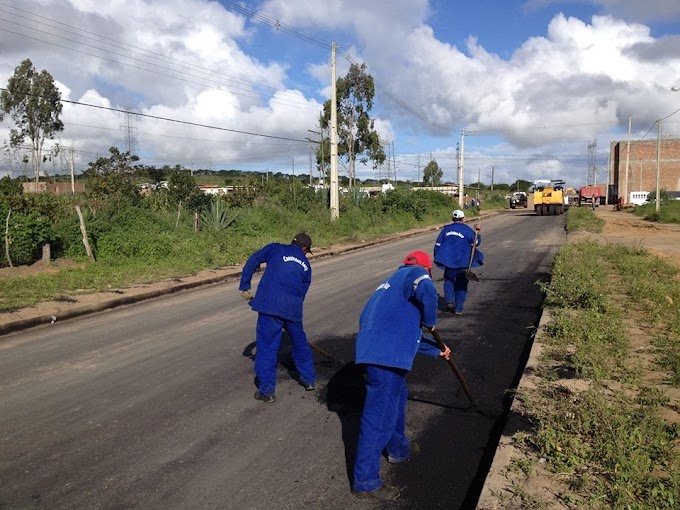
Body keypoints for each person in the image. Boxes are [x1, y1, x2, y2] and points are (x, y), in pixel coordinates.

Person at [352, 250, 451, 501]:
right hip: (384, 359)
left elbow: (403, 331)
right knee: (378, 417)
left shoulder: (388, 288)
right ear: (427, 269)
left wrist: (437, 350)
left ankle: (398, 448)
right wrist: (431, 320)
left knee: (397, 397)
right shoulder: (416, 274)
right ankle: (365, 482)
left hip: (374, 354)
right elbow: (427, 290)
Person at [239, 233, 316, 403]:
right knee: (300, 344)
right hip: (292, 310)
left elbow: (253, 260)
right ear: (305, 249)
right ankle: (309, 380)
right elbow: (302, 292)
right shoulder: (306, 266)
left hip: (270, 307)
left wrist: (245, 285)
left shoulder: (275, 249)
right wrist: (290, 315)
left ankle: (267, 391)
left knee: (266, 348)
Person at [433, 210, 483, 315]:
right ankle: (458, 308)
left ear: (453, 219)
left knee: (449, 280)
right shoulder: (467, 230)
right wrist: (477, 232)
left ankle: (449, 301)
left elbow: (437, 245)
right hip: (463, 263)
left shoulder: (446, 230)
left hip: (448, 262)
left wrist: (439, 258)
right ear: (463, 219)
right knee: (461, 285)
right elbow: (475, 243)